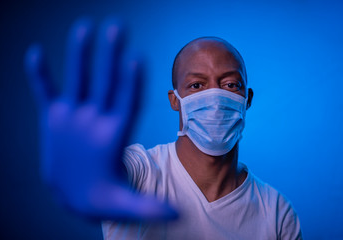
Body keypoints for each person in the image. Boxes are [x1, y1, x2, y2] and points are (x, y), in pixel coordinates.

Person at [25, 18, 302, 239]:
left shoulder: (277, 212)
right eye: (196, 85)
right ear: (175, 101)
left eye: (230, 85)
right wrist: (82, 176)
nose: (215, 98)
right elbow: (108, 175)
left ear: (247, 99)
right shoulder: (142, 171)